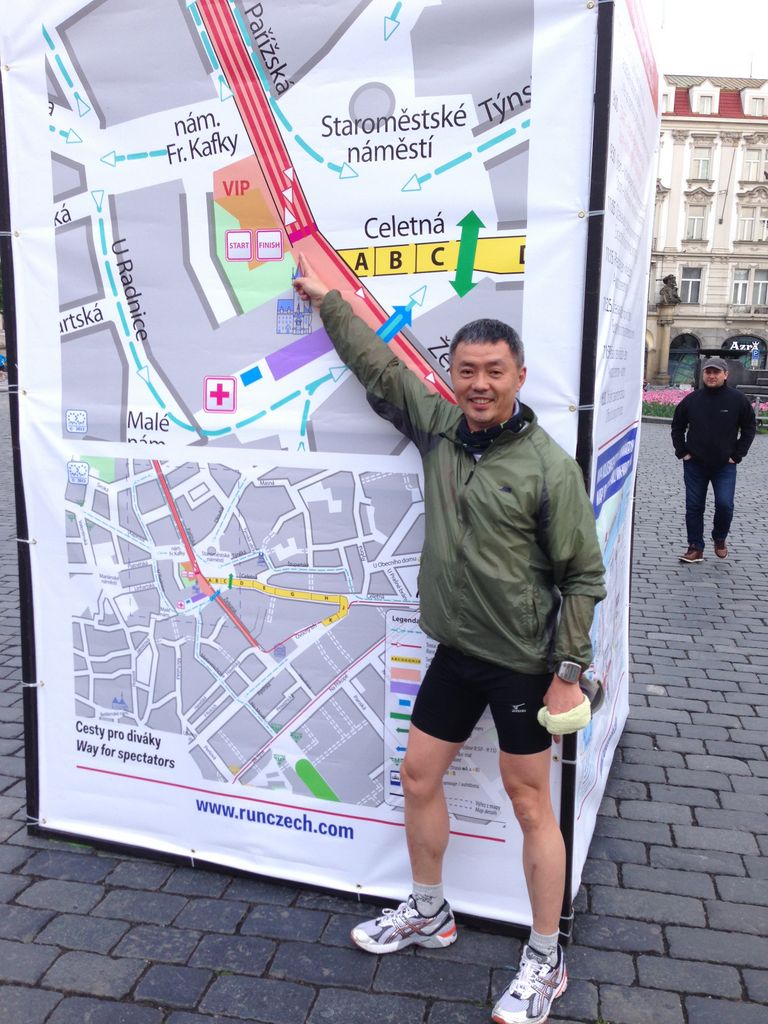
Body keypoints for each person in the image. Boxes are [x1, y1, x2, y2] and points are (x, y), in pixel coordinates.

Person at [293, 259, 605, 1024]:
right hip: (456, 654)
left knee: (530, 803)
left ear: (519, 376)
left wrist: (568, 671)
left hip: (523, 665)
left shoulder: (548, 468)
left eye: (495, 371)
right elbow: (378, 368)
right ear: (454, 376)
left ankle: (545, 958)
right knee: (417, 775)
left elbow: (583, 576)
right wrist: (330, 303)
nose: (480, 384)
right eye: (467, 370)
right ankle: (430, 911)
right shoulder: (439, 430)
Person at [671, 356, 756, 564]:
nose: (711, 376)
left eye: (716, 372)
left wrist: (737, 455)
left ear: (725, 375)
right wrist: (682, 452)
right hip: (695, 464)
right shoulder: (692, 400)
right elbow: (677, 426)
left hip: (724, 465)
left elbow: (749, 428)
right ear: (703, 374)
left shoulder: (738, 400)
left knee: (725, 505)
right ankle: (695, 548)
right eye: (708, 372)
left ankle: (719, 537)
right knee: (694, 506)